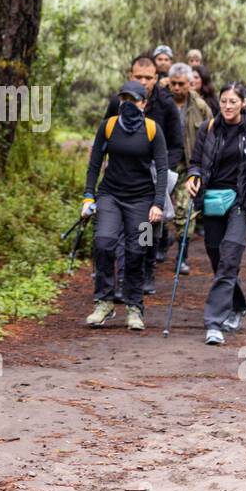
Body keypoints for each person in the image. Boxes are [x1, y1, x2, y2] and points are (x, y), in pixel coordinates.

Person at [186, 83, 246, 345]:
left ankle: (214, 322)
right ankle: (237, 305)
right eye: (224, 101)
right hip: (213, 200)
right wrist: (193, 177)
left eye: (233, 102)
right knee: (217, 257)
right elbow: (195, 164)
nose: (227, 106)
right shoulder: (208, 128)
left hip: (242, 201)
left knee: (229, 257)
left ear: (243, 104)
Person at [82, 79, 168, 330]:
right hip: (110, 196)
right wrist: (88, 197)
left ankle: (134, 308)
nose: (128, 104)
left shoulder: (153, 129)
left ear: (144, 103)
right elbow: (95, 163)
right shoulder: (108, 126)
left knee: (137, 250)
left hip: (142, 199)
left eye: (133, 100)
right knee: (103, 243)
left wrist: (158, 204)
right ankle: (104, 302)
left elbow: (162, 169)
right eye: (124, 99)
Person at [105, 54, 183, 291]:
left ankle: (146, 270)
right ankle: (123, 274)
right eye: (138, 76)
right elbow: (106, 135)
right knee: (120, 228)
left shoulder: (166, 104)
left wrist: (164, 172)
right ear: (130, 76)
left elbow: (176, 144)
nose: (143, 81)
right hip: (122, 174)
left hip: (154, 176)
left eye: (148, 77)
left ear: (156, 78)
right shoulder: (116, 103)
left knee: (148, 228)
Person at [166, 61, 211, 274]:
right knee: (151, 211)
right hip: (163, 165)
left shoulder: (200, 106)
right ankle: (147, 252)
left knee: (185, 212)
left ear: (189, 84)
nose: (176, 88)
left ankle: (182, 256)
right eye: (173, 83)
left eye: (181, 84)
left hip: (189, 166)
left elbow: (212, 133)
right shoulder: (160, 102)